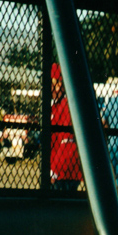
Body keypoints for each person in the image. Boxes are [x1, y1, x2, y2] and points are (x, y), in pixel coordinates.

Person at [50, 62, 82, 192]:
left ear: (59, 85)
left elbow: (68, 142)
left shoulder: (66, 105)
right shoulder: (57, 105)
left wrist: (54, 171)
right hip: (61, 171)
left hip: (63, 173)